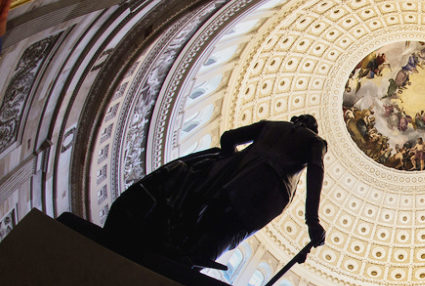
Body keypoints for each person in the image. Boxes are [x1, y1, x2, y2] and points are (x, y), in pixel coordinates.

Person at [103, 114, 327, 267]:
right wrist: (312, 221)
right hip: (264, 197)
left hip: (226, 179)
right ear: (313, 129)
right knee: (219, 239)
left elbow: (228, 138)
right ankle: (183, 270)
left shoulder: (271, 125)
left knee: (197, 224)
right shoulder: (315, 141)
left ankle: (168, 247)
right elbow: (315, 171)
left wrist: (234, 162)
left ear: (296, 120)